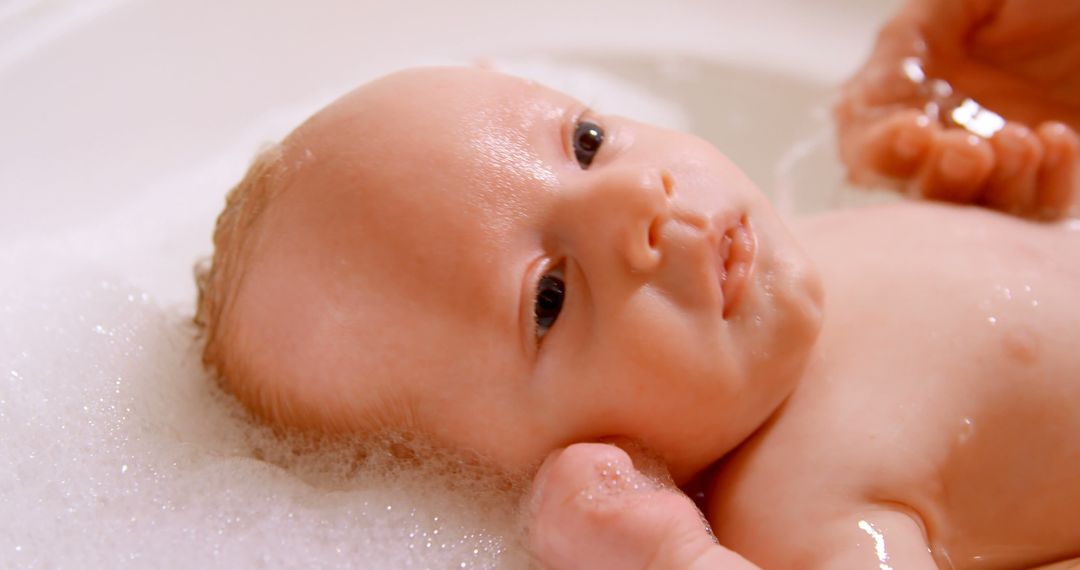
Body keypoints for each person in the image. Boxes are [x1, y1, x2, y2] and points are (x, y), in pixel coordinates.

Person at [192, 3, 1080, 567]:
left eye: (585, 143)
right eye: (551, 297)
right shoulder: (796, 505)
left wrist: (998, 207)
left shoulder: (795, 247)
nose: (640, 201)